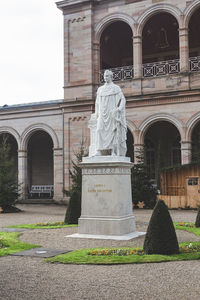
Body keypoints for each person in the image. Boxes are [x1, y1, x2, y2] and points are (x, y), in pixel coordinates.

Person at [94, 69, 127, 156]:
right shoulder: (100, 89)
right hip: (102, 113)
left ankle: (113, 151)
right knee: (99, 130)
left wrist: (119, 109)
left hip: (112, 113)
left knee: (113, 132)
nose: (105, 78)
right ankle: (99, 150)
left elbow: (123, 99)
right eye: (104, 76)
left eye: (107, 76)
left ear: (111, 77)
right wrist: (96, 113)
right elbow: (97, 103)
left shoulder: (116, 88)